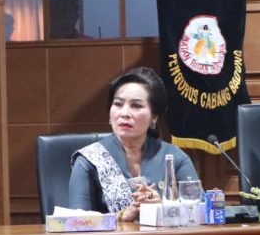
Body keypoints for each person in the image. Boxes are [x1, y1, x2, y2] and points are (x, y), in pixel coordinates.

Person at [68, 67, 198, 221]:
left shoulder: (175, 157)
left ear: (154, 116)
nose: (124, 113)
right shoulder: (89, 160)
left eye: (136, 106)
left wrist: (164, 209)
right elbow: (77, 223)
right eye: (118, 104)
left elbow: (198, 214)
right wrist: (121, 217)